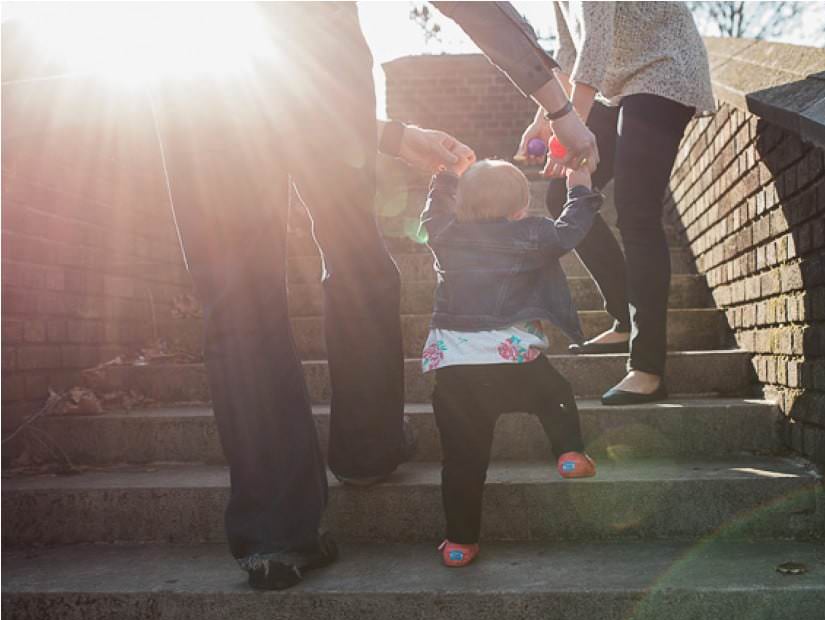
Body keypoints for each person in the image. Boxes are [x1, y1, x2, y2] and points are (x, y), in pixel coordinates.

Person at [151, 2, 599, 590]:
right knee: (354, 257)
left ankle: (275, 534)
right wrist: (560, 108)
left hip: (195, 82)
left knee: (239, 301)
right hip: (313, 74)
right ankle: (366, 448)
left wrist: (393, 135)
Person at [517, 2, 715, 405]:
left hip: (664, 73)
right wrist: (545, 115)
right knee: (563, 195)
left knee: (636, 211)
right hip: (617, 90)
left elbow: (597, 40)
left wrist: (566, 128)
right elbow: (570, 52)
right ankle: (624, 319)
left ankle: (647, 368)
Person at [418, 159, 602, 567]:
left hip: (455, 368)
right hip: (512, 358)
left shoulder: (446, 233)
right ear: (520, 207)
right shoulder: (532, 232)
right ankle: (569, 452)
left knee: (463, 461)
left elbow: (433, 214)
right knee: (554, 393)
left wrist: (444, 179)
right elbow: (570, 231)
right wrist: (580, 189)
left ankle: (459, 543)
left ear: (461, 205)